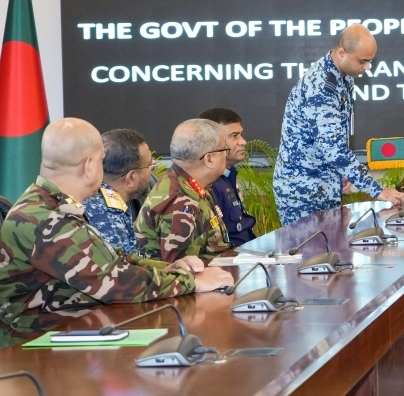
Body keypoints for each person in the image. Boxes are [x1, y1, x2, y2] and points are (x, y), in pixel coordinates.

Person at [0, 118, 233, 347]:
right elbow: (114, 281)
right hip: (33, 350)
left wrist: (170, 268)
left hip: (66, 335)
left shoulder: (51, 205)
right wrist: (192, 281)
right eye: (102, 161)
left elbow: (112, 257)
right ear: (90, 165)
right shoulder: (46, 218)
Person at [273, 24, 404, 225]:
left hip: (325, 185)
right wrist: (377, 190)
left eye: (370, 61)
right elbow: (333, 148)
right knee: (310, 254)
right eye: (363, 61)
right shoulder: (322, 88)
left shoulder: (342, 78)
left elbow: (335, 138)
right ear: (342, 53)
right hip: (302, 192)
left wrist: (341, 172)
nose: (368, 67)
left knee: (333, 253)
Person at [135, 119, 233, 263]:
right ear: (209, 159)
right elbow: (183, 274)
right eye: (224, 149)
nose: (227, 155)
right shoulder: (180, 202)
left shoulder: (188, 184)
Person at [82, 129, 154, 254]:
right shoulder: (109, 217)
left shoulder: (106, 200)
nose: (152, 171)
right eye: (149, 166)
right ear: (131, 178)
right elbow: (126, 270)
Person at [198, 108, 257, 245]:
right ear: (212, 142)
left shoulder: (228, 176)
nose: (243, 142)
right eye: (234, 136)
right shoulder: (209, 183)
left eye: (242, 134)